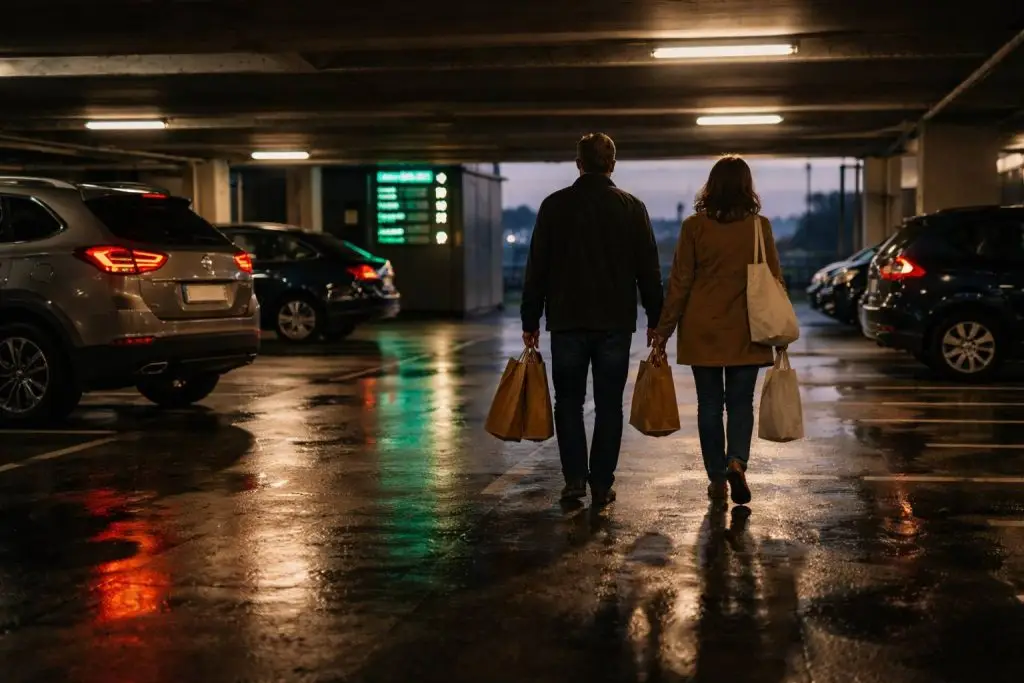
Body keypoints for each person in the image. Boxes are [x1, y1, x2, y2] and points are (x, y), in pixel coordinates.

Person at [521, 133, 663, 506]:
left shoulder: (554, 206)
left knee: (567, 402)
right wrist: (656, 317)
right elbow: (648, 268)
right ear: (612, 164)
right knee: (609, 404)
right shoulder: (632, 208)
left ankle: (573, 481)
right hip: (615, 322)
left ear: (578, 163)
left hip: (567, 320)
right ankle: (601, 483)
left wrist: (529, 317)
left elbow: (537, 267)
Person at [652, 155, 784, 505]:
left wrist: (663, 330)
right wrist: (781, 332)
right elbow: (774, 279)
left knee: (709, 404)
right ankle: (736, 461)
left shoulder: (694, 227)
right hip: (748, 328)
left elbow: (680, 282)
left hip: (702, 328)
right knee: (741, 403)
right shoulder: (760, 227)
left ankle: (716, 478)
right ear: (746, 186)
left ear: (711, 186)